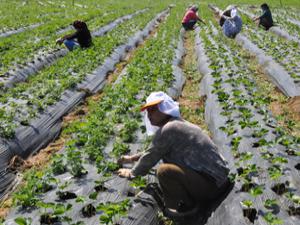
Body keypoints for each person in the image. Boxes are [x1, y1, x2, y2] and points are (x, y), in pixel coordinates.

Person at [117, 91, 230, 221]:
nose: (149, 115)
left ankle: (189, 209)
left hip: (213, 186)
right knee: (167, 168)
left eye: (153, 110)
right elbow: (155, 150)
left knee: (164, 171)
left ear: (164, 109)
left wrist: (131, 173)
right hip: (219, 181)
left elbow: (151, 156)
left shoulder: (169, 129)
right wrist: (131, 158)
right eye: (148, 111)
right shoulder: (176, 124)